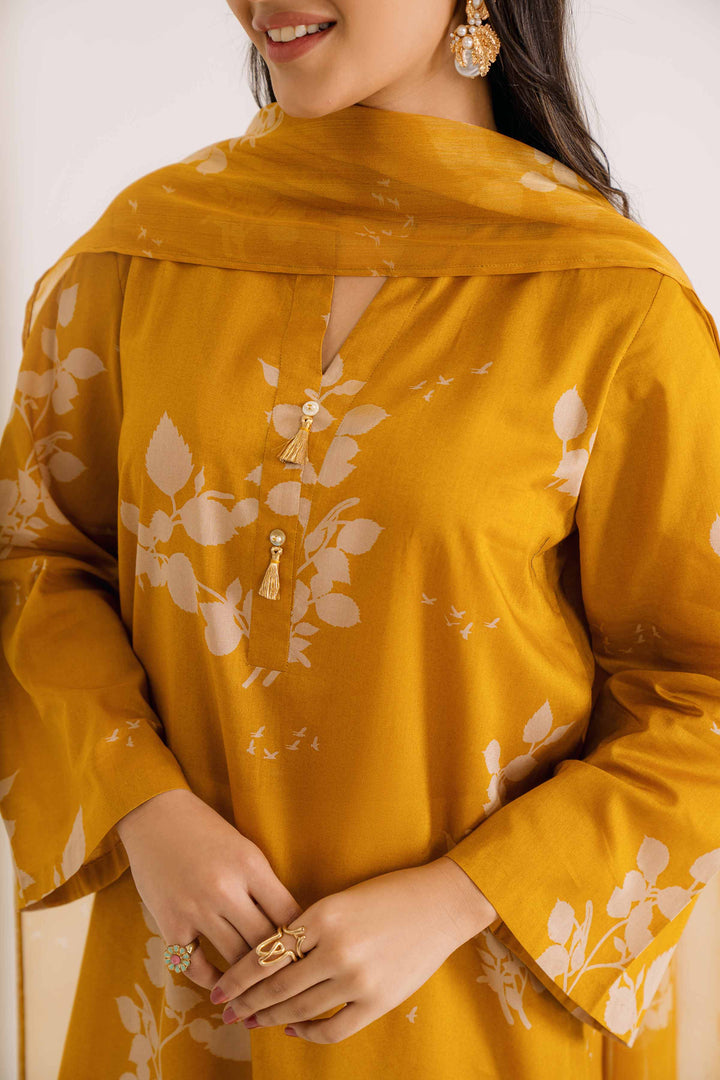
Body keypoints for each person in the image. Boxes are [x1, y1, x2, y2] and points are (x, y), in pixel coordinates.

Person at [1, 0, 719, 1077]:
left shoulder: (612, 304)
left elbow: (699, 691)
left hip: (473, 1002)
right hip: (183, 982)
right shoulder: (141, 260)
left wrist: (459, 899)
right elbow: (37, 562)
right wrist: (143, 807)